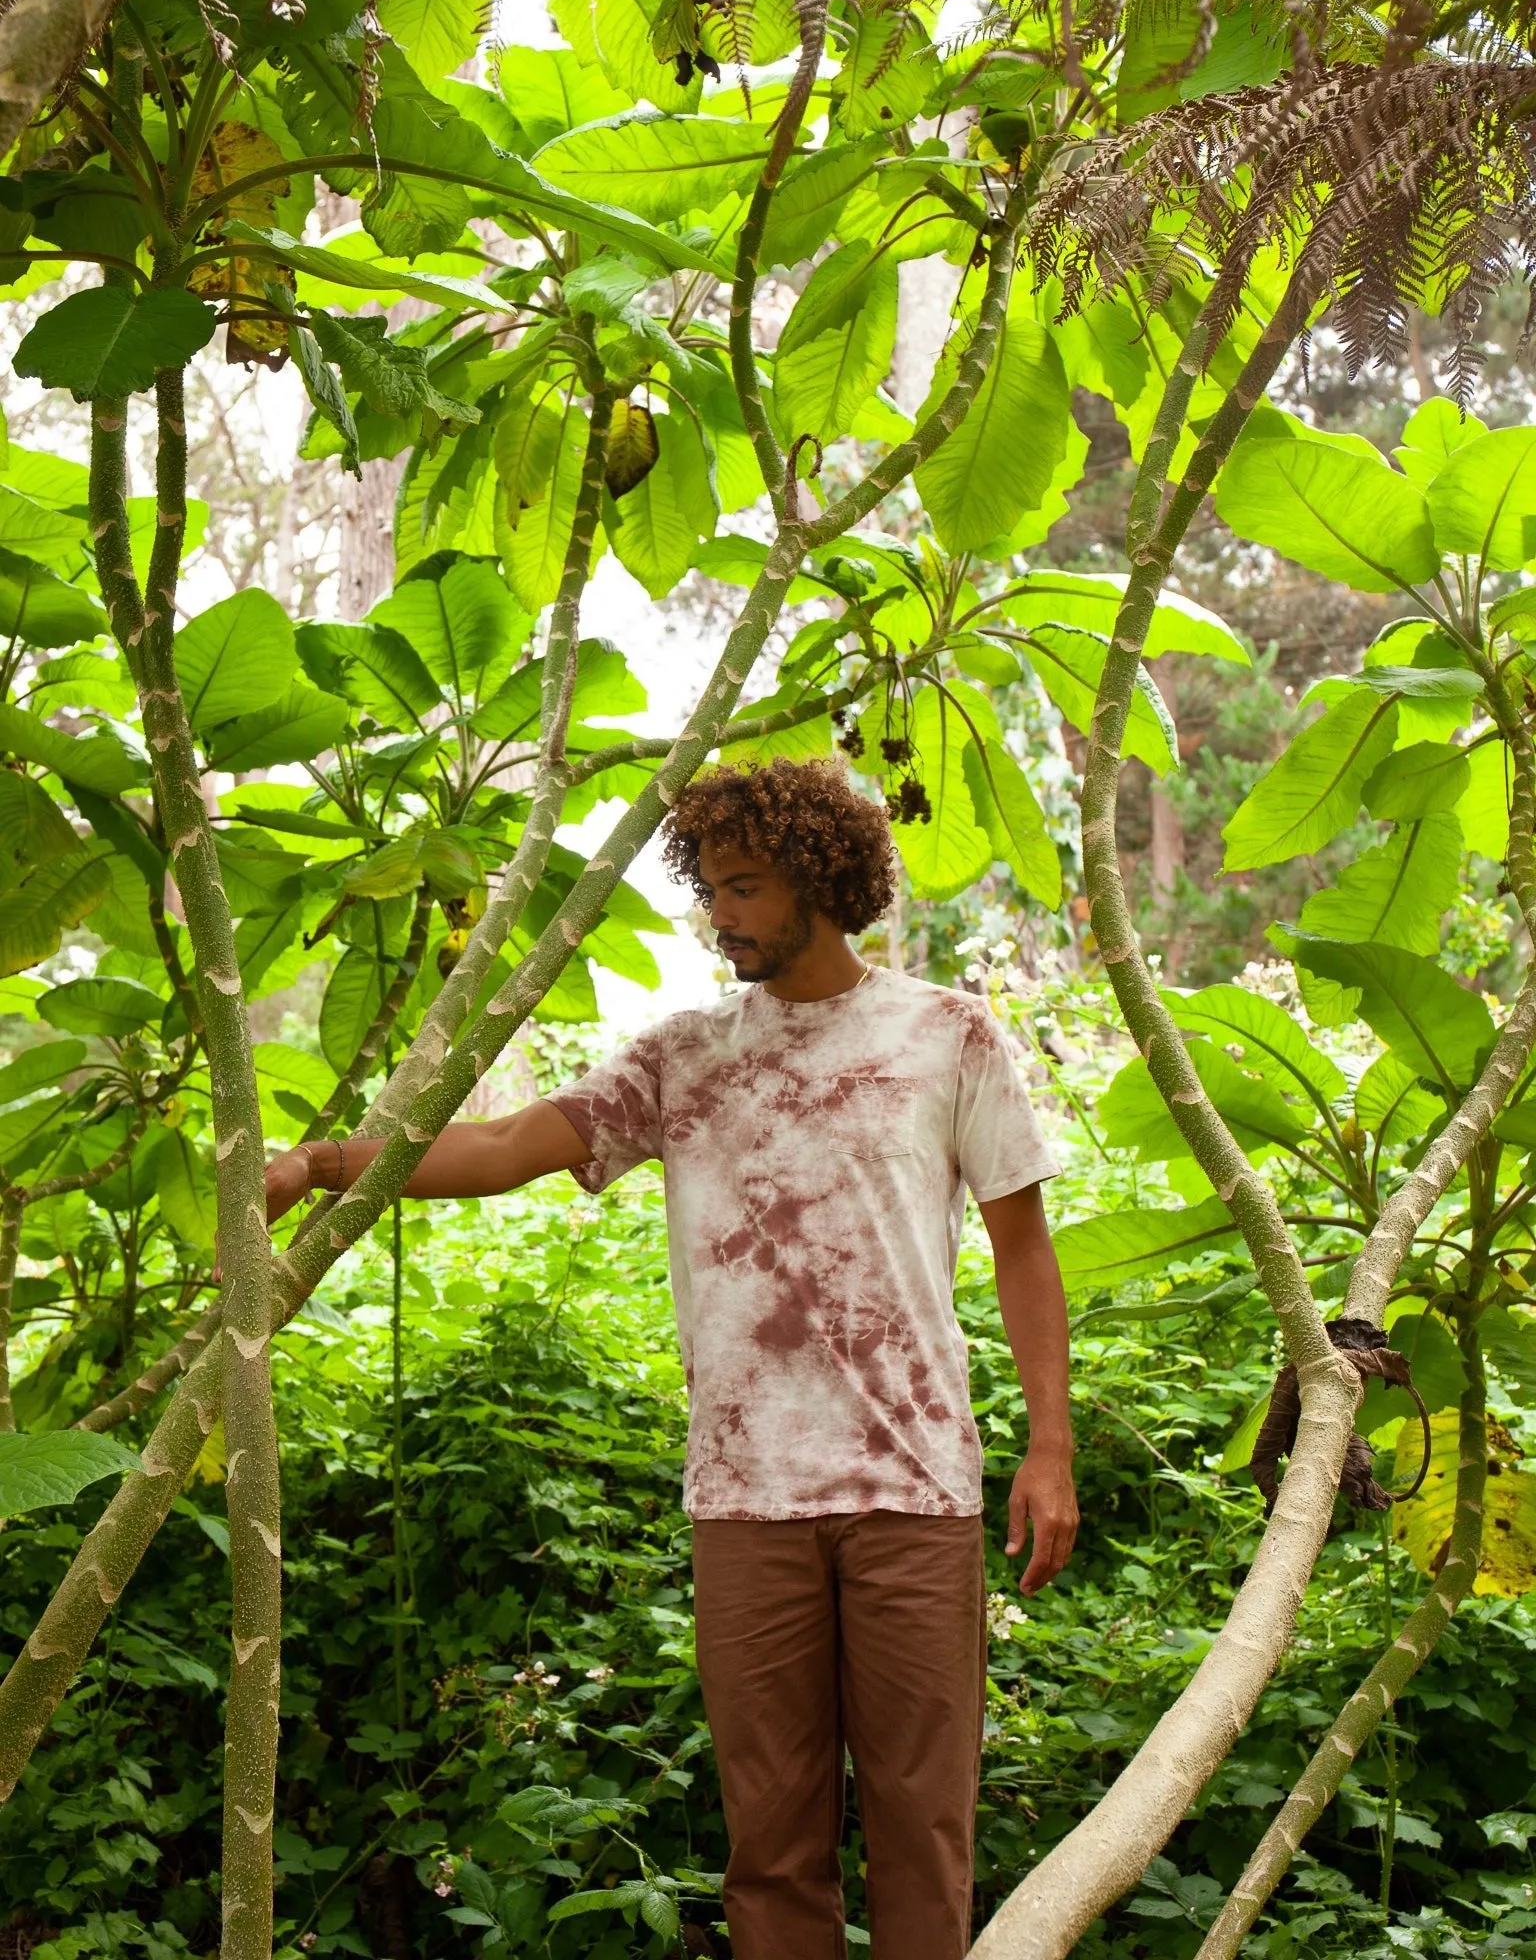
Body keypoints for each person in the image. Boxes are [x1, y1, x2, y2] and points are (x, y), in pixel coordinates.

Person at [264, 756, 1078, 1960]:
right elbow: (500, 1144)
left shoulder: (945, 1034)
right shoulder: (682, 1056)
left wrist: (1049, 1446)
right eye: (712, 886)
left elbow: (1023, 1251)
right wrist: (322, 1162)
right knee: (772, 1844)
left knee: (922, 1828)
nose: (723, 913)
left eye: (746, 885)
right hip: (745, 1500)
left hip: (914, 1490)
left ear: (819, 876)